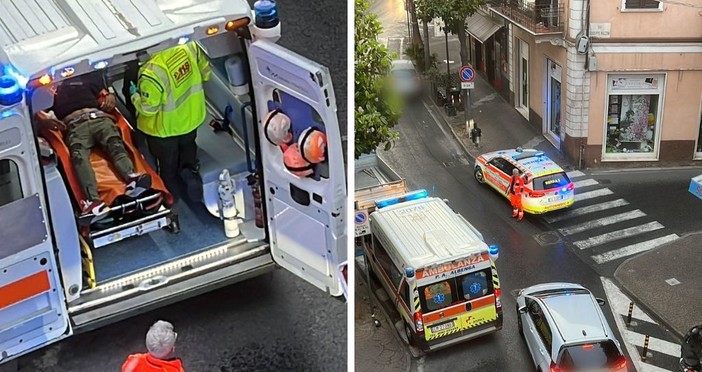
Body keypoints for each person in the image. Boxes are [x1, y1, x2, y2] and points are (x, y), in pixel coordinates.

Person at [36, 71, 151, 222]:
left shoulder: (86, 76)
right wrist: (43, 120)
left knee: (114, 143)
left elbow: (106, 91)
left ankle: (131, 177)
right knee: (78, 157)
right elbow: (37, 111)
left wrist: (110, 95)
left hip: (100, 118)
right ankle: (93, 201)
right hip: (75, 127)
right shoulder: (47, 90)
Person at [130, 42, 211, 196]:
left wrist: (135, 96)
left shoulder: (152, 72)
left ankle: (173, 198)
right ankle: (188, 172)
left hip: (165, 130)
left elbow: (148, 109)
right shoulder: (188, 46)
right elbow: (205, 72)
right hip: (191, 118)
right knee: (188, 148)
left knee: (168, 167)